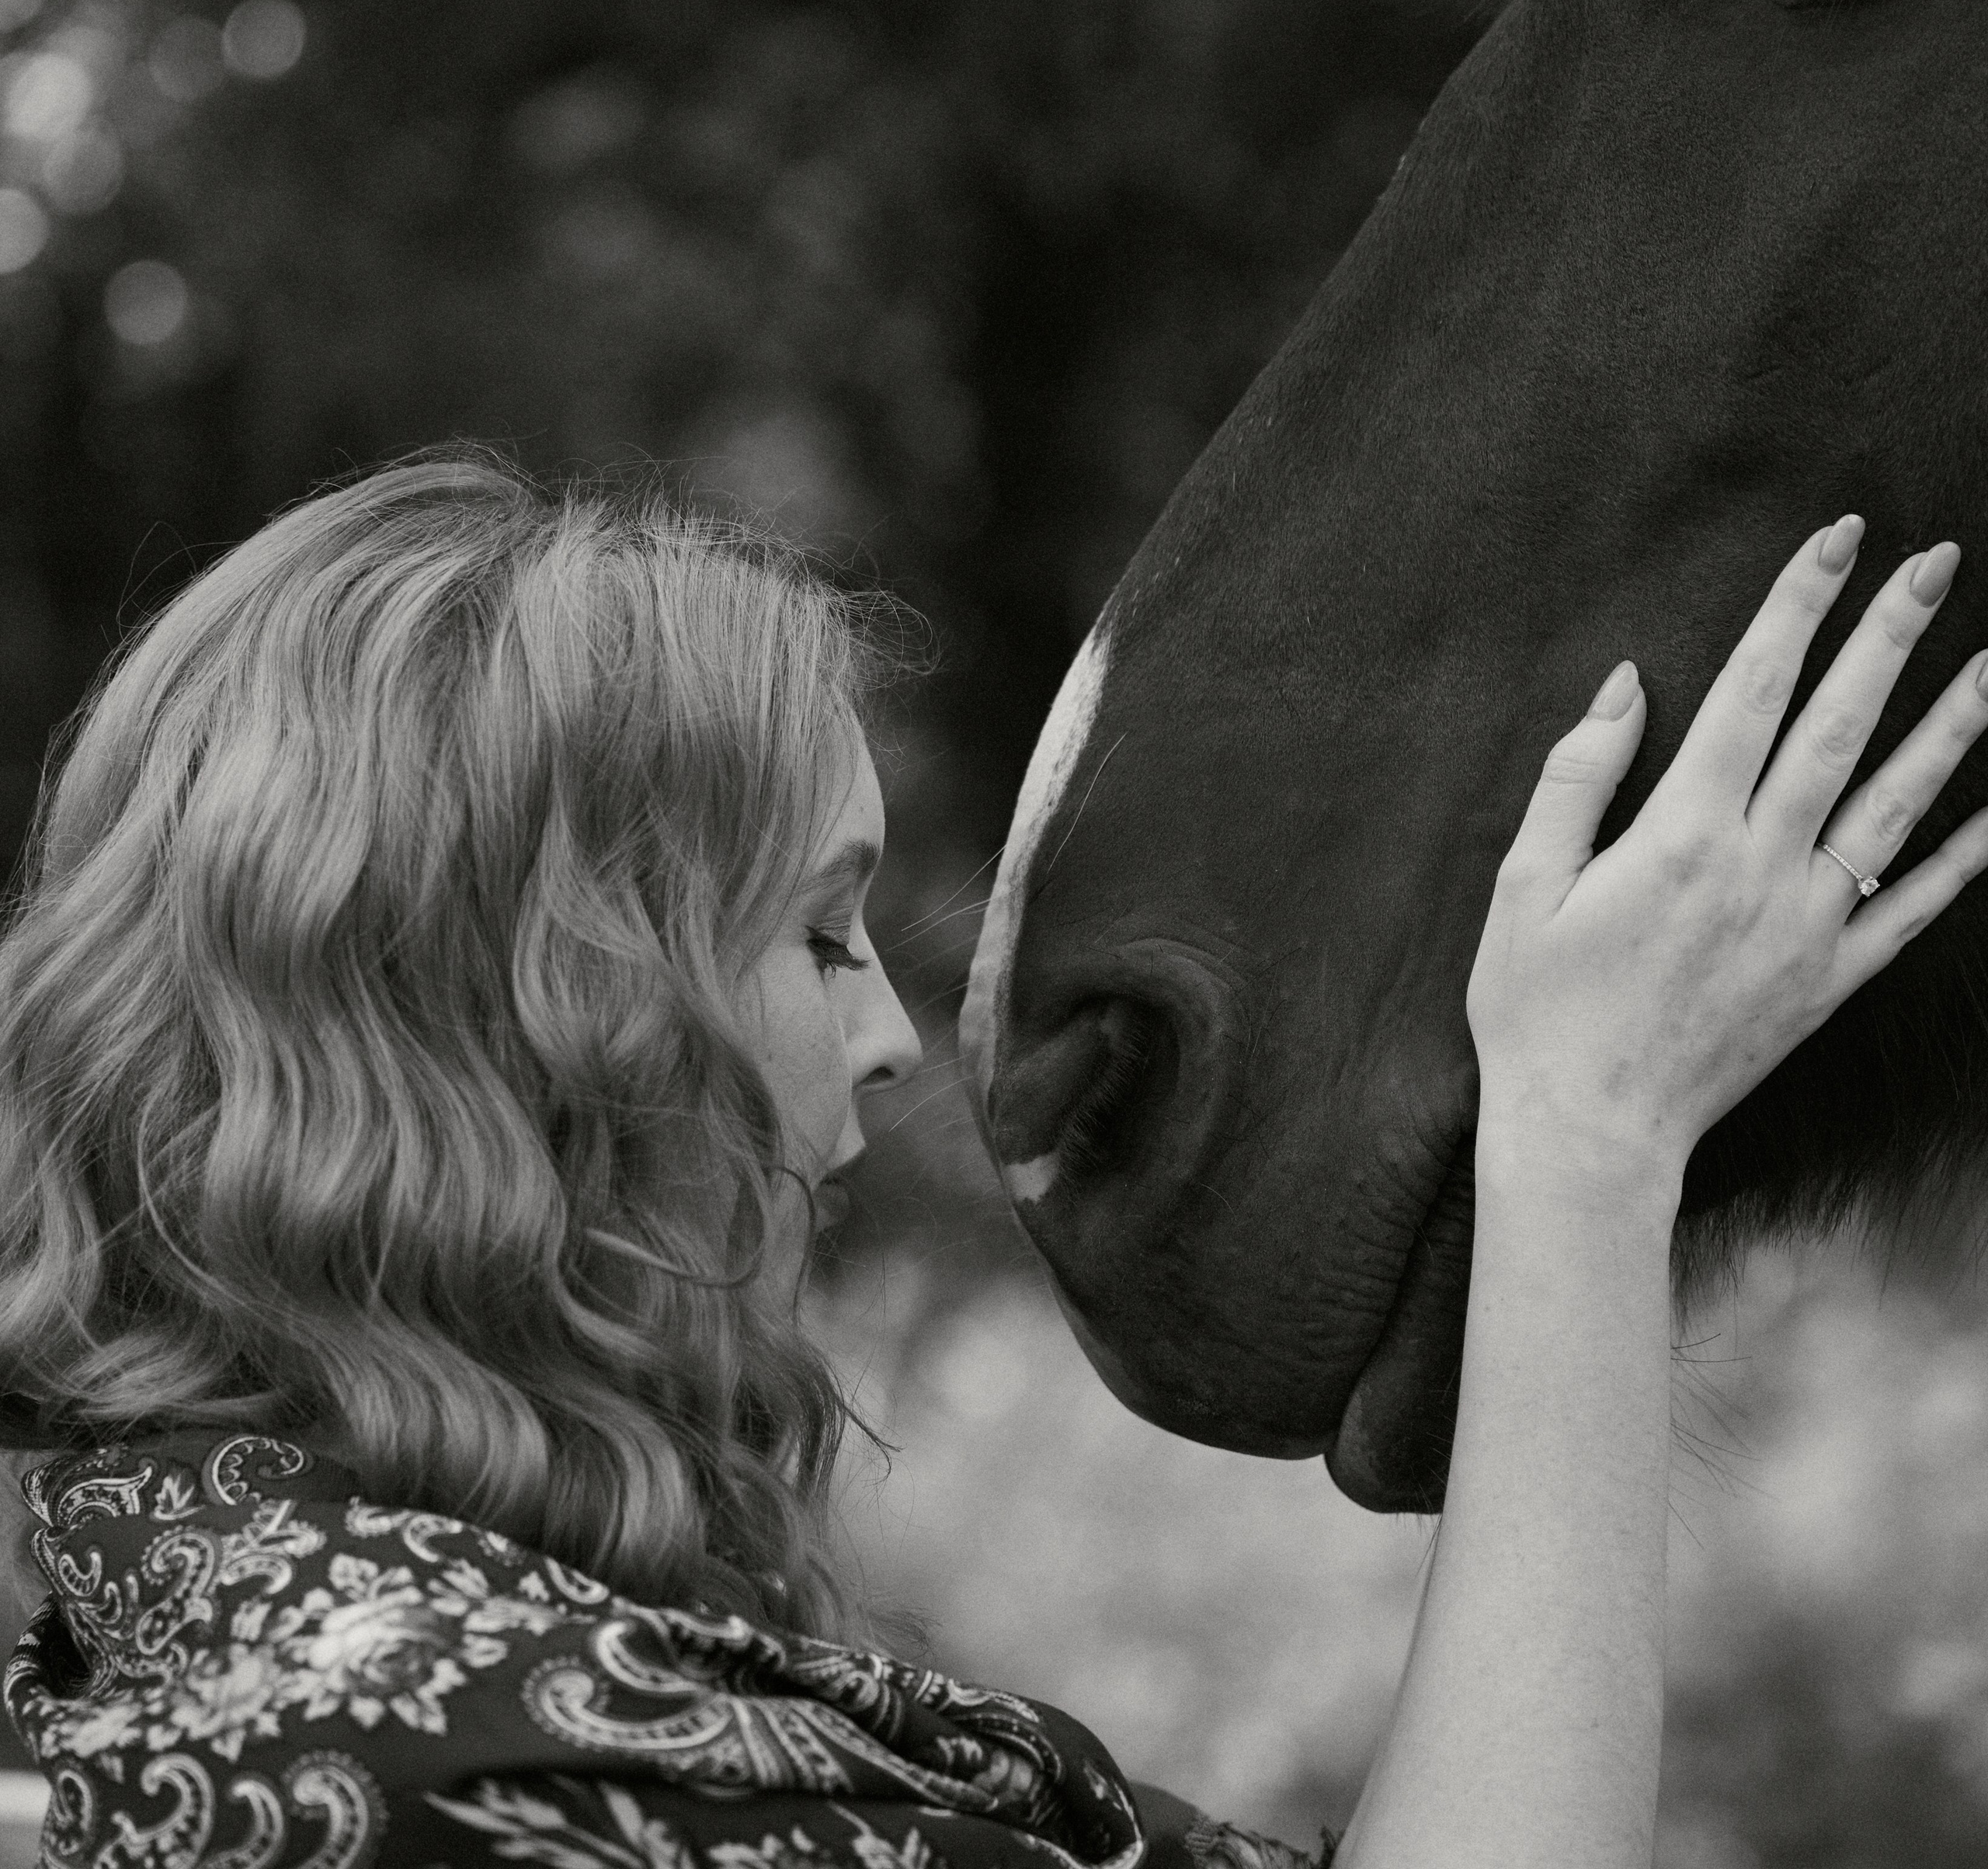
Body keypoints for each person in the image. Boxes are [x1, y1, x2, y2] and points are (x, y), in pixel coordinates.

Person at [0, 456, 1979, 1869]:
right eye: (814, 933)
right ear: (526, 1018)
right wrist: (1590, 1136)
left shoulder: (202, 1613)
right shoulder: (481, 1766)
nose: (885, 1032)